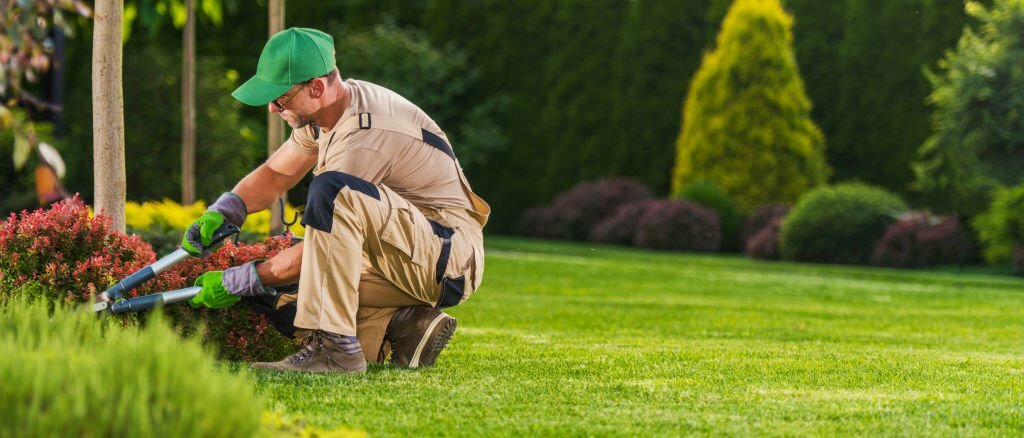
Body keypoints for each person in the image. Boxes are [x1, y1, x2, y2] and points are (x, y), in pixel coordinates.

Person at [181, 27, 490, 373]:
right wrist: (226, 210)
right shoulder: (325, 115)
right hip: (406, 252)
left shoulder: (365, 134)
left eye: (280, 98)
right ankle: (405, 325)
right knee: (284, 296)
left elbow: (319, 246)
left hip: (446, 255)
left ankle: (336, 351)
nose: (271, 108)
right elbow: (277, 174)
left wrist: (240, 279)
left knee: (328, 199)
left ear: (315, 87)